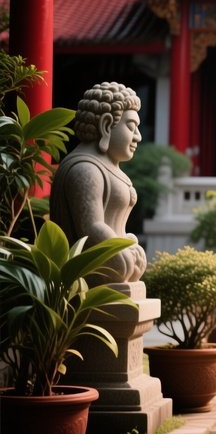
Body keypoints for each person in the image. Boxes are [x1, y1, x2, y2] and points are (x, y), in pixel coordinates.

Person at [50, 82, 147, 285]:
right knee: (124, 268)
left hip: (112, 255)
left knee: (133, 262)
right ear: (106, 125)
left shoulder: (106, 166)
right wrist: (121, 252)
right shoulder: (85, 169)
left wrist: (126, 243)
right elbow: (91, 227)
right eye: (131, 127)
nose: (138, 136)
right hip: (87, 273)